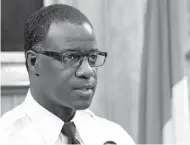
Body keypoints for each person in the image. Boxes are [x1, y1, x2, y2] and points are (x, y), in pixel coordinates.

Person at [0, 4, 135, 145]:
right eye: (71, 57)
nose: (88, 71)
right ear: (34, 62)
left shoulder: (114, 136)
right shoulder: (6, 138)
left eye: (92, 57)